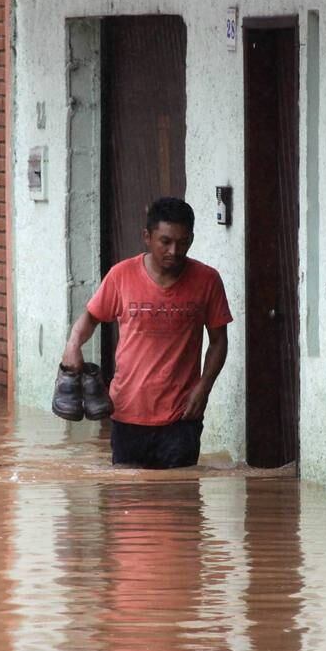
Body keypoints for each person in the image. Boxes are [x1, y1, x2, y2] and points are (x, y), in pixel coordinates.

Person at [61, 197, 232, 469]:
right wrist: (72, 346)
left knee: (180, 501)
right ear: (147, 237)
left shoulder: (207, 280)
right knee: (126, 503)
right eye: (165, 241)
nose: (174, 251)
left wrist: (204, 387)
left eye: (183, 242)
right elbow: (90, 318)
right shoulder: (121, 276)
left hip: (182, 415)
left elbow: (219, 342)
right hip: (126, 412)